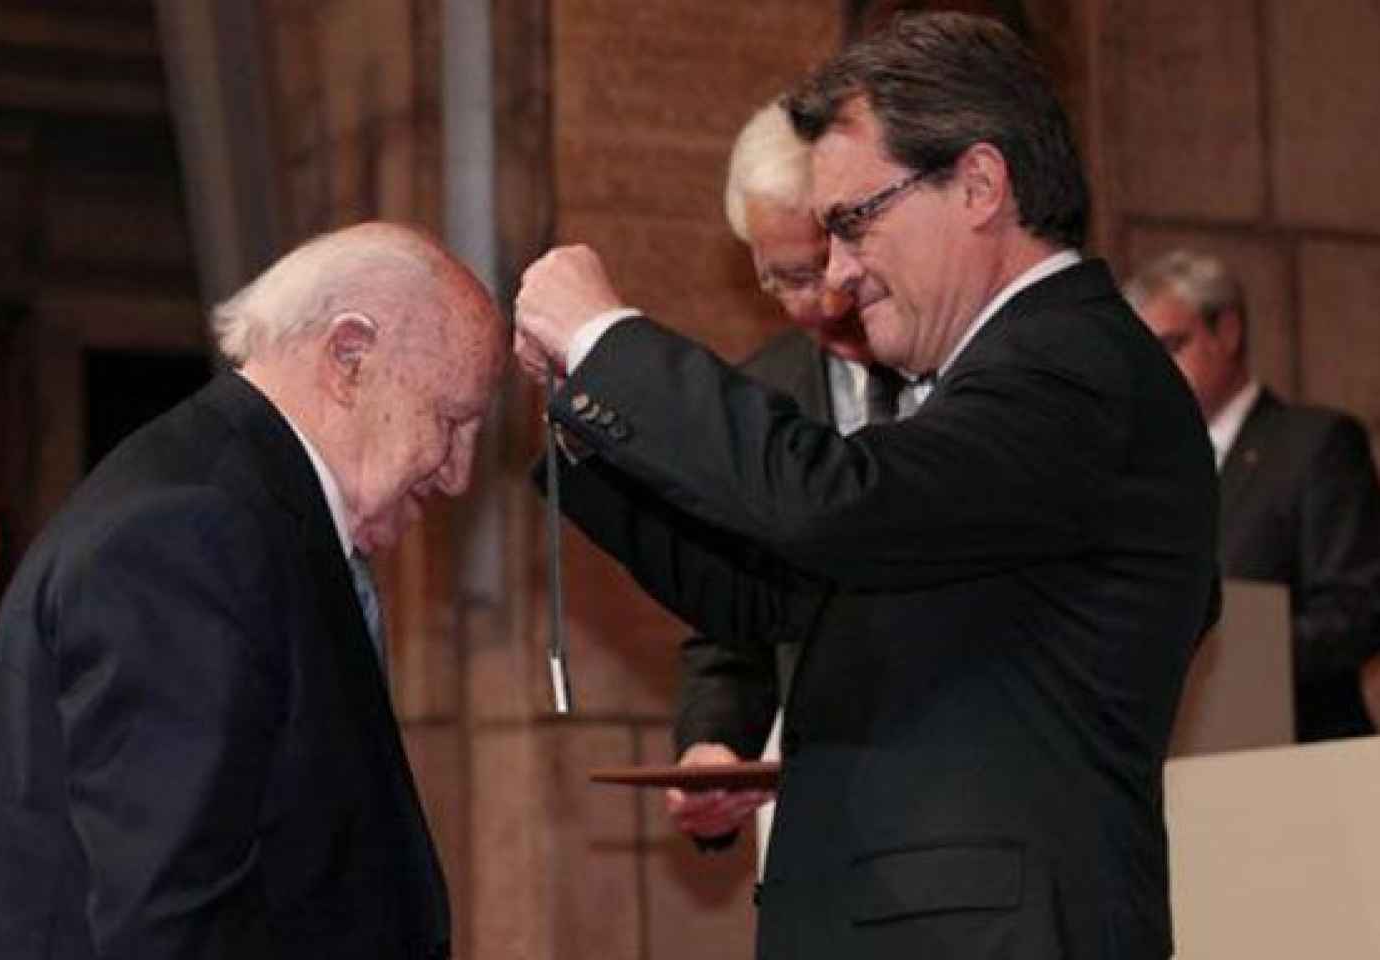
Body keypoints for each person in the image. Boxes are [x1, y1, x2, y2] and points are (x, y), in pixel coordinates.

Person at [514, 13, 1216, 959]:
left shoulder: (1071, 365)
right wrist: (584, 421)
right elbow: (770, 590)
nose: (838, 275)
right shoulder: (1009, 376)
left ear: (977, 184)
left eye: (854, 222)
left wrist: (610, 340)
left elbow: (832, 504)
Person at [0, 222, 505, 960]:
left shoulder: (244, 510)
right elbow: (172, 923)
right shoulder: (193, 531)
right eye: (451, 422)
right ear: (348, 357)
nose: (458, 474)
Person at [669, 99, 925, 856]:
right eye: (781, 281)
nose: (817, 302)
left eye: (821, 268)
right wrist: (713, 749)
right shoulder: (757, 400)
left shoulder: (977, 366)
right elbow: (732, 634)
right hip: (825, 821)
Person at [1125, 249, 1380, 741]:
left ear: (1227, 331)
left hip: (1300, 751)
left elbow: (1358, 608)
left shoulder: (1314, 443)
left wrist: (1233, 657)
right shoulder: (1144, 471)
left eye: (1172, 345)